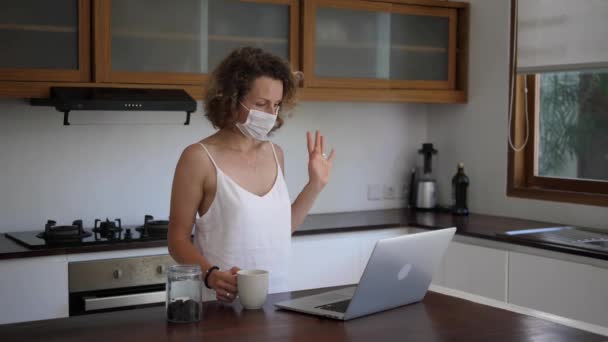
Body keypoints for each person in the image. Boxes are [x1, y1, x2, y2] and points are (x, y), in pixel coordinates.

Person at [167, 47, 335, 303]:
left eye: (276, 105)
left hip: (279, 301)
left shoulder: (275, 154)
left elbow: (279, 229)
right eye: (260, 104)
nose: (269, 115)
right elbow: (177, 240)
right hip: (223, 306)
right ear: (231, 99)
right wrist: (211, 275)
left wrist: (315, 184)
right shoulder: (198, 158)